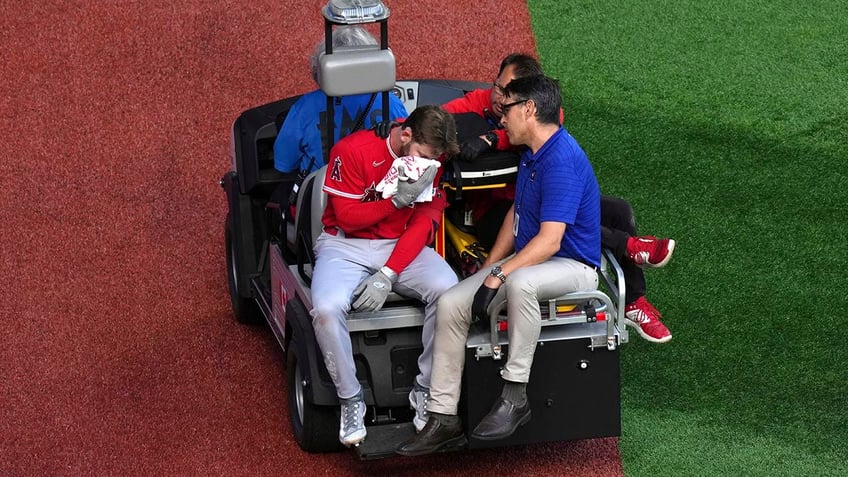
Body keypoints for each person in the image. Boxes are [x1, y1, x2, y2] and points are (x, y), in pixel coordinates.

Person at [396, 74, 603, 455]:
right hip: (533, 260)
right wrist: (488, 268)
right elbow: (516, 217)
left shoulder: (562, 158)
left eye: (507, 108)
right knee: (451, 302)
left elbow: (550, 241)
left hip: (571, 264)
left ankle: (514, 395)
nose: (500, 115)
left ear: (529, 109)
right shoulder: (532, 153)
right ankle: (442, 416)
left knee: (521, 281)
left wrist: (499, 274)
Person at [444, 53, 676, 344]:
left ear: (530, 103)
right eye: (499, 87)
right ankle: (627, 246)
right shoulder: (473, 104)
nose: (501, 100)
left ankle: (633, 302)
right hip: (497, 213)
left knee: (618, 210)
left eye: (510, 94)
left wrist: (491, 138)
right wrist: (399, 130)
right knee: (548, 220)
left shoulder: (539, 118)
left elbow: (549, 124)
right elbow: (433, 122)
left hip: (544, 200)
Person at [310, 105, 460, 447]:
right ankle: (351, 398)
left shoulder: (431, 162)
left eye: (434, 159)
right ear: (405, 135)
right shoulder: (352, 150)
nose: (428, 165)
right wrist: (393, 204)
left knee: (449, 290)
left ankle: (424, 388)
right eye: (423, 155)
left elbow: (423, 222)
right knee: (327, 307)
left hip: (398, 244)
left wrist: (389, 273)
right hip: (345, 245)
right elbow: (346, 217)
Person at [273, 26, 408, 175]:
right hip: (377, 190)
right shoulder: (391, 103)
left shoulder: (305, 107)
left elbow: (285, 162)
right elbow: (408, 152)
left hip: (321, 193)